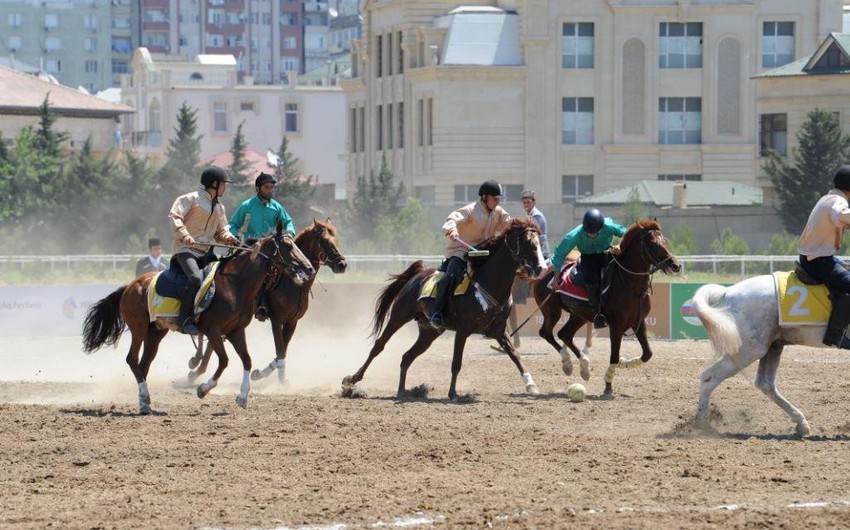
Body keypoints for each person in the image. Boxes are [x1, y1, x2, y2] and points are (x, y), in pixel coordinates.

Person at [428, 179, 512, 331]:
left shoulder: (498, 212)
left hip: (484, 254)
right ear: (485, 197)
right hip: (462, 251)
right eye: (495, 199)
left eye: (499, 199)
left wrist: (522, 228)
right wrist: (452, 230)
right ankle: (436, 312)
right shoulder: (470, 210)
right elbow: (452, 218)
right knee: (451, 275)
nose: (498, 202)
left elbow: (509, 222)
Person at [168, 166, 240, 335]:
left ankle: (213, 318)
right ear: (214, 184)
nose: (225, 188)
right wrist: (184, 235)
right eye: (224, 184)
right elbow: (174, 216)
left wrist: (230, 238)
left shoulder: (219, 208)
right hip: (186, 250)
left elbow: (221, 232)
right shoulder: (191, 199)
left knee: (223, 278)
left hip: (206, 253)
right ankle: (184, 319)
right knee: (194, 278)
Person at [542, 208, 626, 329]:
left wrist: (619, 245)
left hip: (606, 253)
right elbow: (559, 255)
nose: (592, 234)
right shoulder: (574, 235)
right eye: (589, 232)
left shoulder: (608, 225)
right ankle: (598, 314)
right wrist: (555, 279)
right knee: (591, 280)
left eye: (596, 232)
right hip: (588, 258)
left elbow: (627, 233)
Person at [228, 172, 296, 320]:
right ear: (258, 188)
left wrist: (289, 233)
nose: (270, 190)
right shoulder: (246, 206)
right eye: (267, 187)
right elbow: (233, 224)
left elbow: (288, 222)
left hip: (271, 250)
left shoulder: (276, 207)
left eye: (271, 187)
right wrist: (233, 236)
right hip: (250, 249)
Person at [797, 165, 850, 346]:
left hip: (816, 257)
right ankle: (836, 336)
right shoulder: (838, 201)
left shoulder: (828, 198)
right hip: (819, 261)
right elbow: (841, 216)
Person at [521, 190, 550, 259]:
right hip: (536, 249)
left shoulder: (536, 215)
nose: (526, 205)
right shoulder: (529, 214)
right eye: (524, 203)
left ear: (534, 203)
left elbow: (535, 234)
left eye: (528, 202)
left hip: (541, 251)